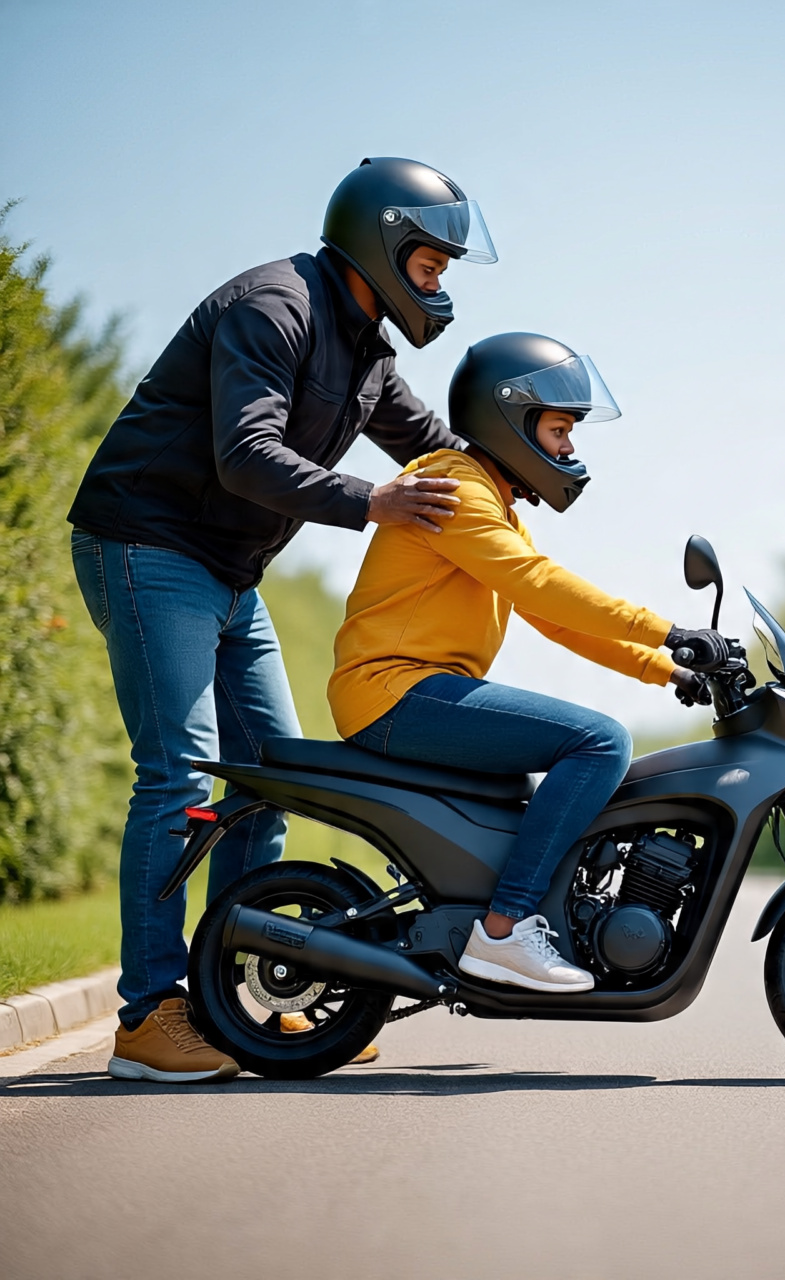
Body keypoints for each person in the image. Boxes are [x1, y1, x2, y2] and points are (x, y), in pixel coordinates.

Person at [67, 157, 498, 1082]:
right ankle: (149, 1016)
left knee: (271, 777)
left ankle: (234, 1008)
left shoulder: (369, 353)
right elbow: (246, 456)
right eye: (430, 263)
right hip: (146, 545)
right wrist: (372, 503)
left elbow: (438, 448)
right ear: (383, 246)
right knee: (178, 774)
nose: (440, 283)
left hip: (228, 572)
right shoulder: (277, 308)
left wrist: (520, 457)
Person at [327, 332, 725, 991]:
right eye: (561, 427)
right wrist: (668, 630)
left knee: (585, 747)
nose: (570, 447)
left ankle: (519, 916)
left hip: (416, 691)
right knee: (600, 741)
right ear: (510, 418)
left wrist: (668, 669)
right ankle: (505, 930)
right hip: (393, 692)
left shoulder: (491, 501)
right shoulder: (456, 490)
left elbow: (552, 618)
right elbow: (538, 584)